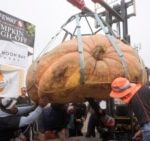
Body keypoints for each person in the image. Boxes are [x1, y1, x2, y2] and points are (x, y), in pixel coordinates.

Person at [110, 77, 150, 141]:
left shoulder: (136, 100)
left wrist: (145, 133)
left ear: (124, 94)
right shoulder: (142, 90)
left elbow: (148, 128)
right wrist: (142, 131)